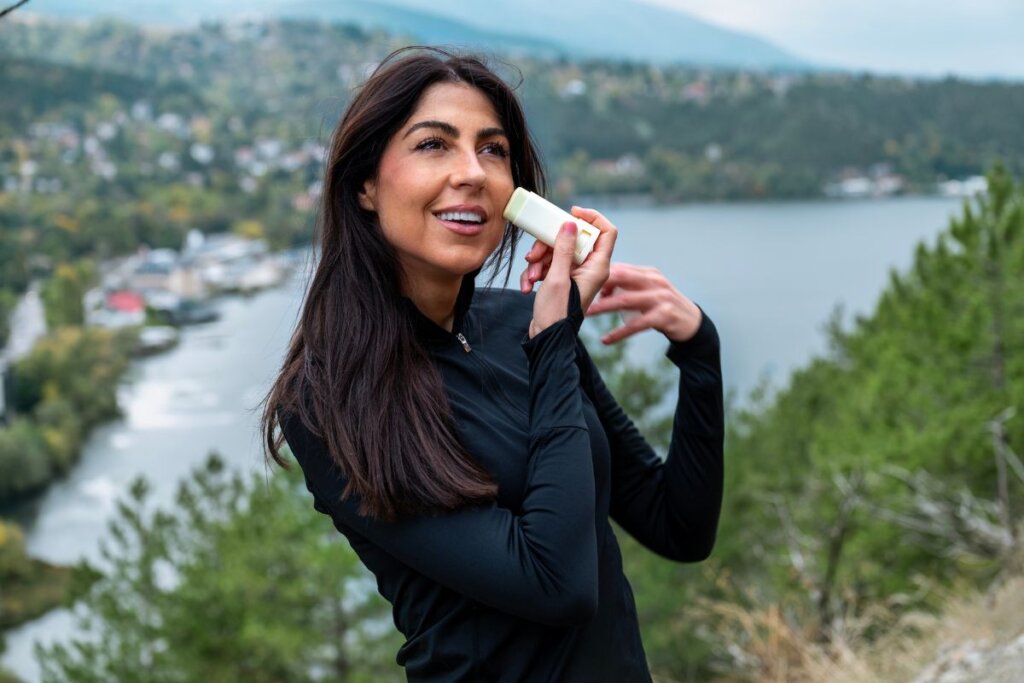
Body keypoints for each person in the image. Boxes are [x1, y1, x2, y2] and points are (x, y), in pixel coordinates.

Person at [260, 46, 724, 683]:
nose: (472, 173)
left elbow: (679, 528)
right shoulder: (331, 399)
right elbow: (557, 585)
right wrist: (556, 337)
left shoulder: (522, 326)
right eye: (433, 145)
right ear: (366, 184)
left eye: (493, 149)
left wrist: (700, 350)